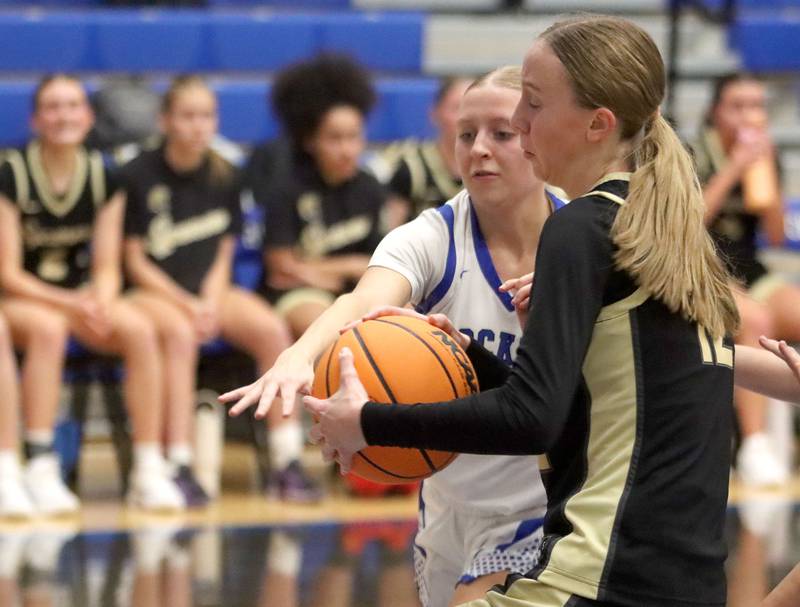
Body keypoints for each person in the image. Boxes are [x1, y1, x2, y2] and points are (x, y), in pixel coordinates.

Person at [302, 15, 743, 607]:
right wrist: (472, 360)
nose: (516, 121)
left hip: (600, 575)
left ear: (597, 124)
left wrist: (371, 421)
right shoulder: (661, 228)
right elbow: (582, 413)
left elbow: (531, 420)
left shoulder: (579, 228)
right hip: (685, 581)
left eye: (532, 104)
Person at [224, 66, 563, 606]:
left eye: (501, 133)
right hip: (448, 501)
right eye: (465, 133)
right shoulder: (431, 236)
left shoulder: (583, 236)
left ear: (538, 134)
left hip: (548, 506)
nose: (478, 149)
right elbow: (361, 303)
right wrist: (297, 356)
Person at [121, 75, 318, 502]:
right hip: (154, 293)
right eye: (188, 116)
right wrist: (187, 304)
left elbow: (223, 253)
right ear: (165, 120)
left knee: (270, 330)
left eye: (207, 116)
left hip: (211, 291)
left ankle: (286, 460)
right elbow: (134, 260)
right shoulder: (137, 174)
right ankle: (179, 462)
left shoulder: (225, 174)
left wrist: (208, 302)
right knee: (179, 333)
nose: (198, 126)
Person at [0, 74, 183, 512]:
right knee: (47, 329)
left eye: (73, 105)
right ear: (36, 119)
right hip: (21, 298)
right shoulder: (11, 172)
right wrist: (71, 303)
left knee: (137, 328)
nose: (64, 115)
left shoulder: (105, 176)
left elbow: (106, 265)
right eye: (53, 106)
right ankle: (30, 464)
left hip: (75, 297)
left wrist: (100, 299)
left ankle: (148, 467)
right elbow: (7, 272)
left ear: (88, 116)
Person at [694, 72, 800, 487]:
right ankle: (754, 446)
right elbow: (689, 222)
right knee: (753, 322)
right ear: (715, 112)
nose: (750, 115)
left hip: (750, 269)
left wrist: (764, 174)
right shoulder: (693, 152)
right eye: (738, 106)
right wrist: (734, 166)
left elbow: (774, 234)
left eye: (757, 106)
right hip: (700, 269)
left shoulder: (763, 154)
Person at [248, 54, 388, 340]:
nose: (347, 149)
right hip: (295, 294)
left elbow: (375, 264)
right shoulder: (286, 189)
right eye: (335, 138)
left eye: (353, 137)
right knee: (334, 331)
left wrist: (325, 270)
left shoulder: (370, 187)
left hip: (350, 292)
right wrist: (345, 269)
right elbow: (281, 268)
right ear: (311, 140)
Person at [374, 76, 471, 223]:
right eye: (457, 108)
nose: (465, 117)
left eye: (472, 109)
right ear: (435, 113)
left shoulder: (493, 165)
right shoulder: (410, 165)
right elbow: (390, 234)